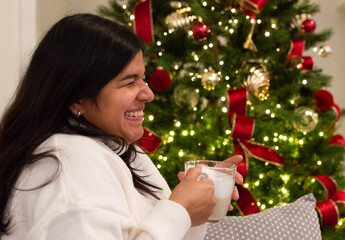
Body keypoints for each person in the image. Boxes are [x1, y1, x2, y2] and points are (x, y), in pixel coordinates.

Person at [0, 13, 243, 240]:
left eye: (143, 78)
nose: (148, 94)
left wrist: (193, 212)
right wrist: (179, 209)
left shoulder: (119, 149)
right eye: (129, 83)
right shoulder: (68, 165)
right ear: (77, 97)